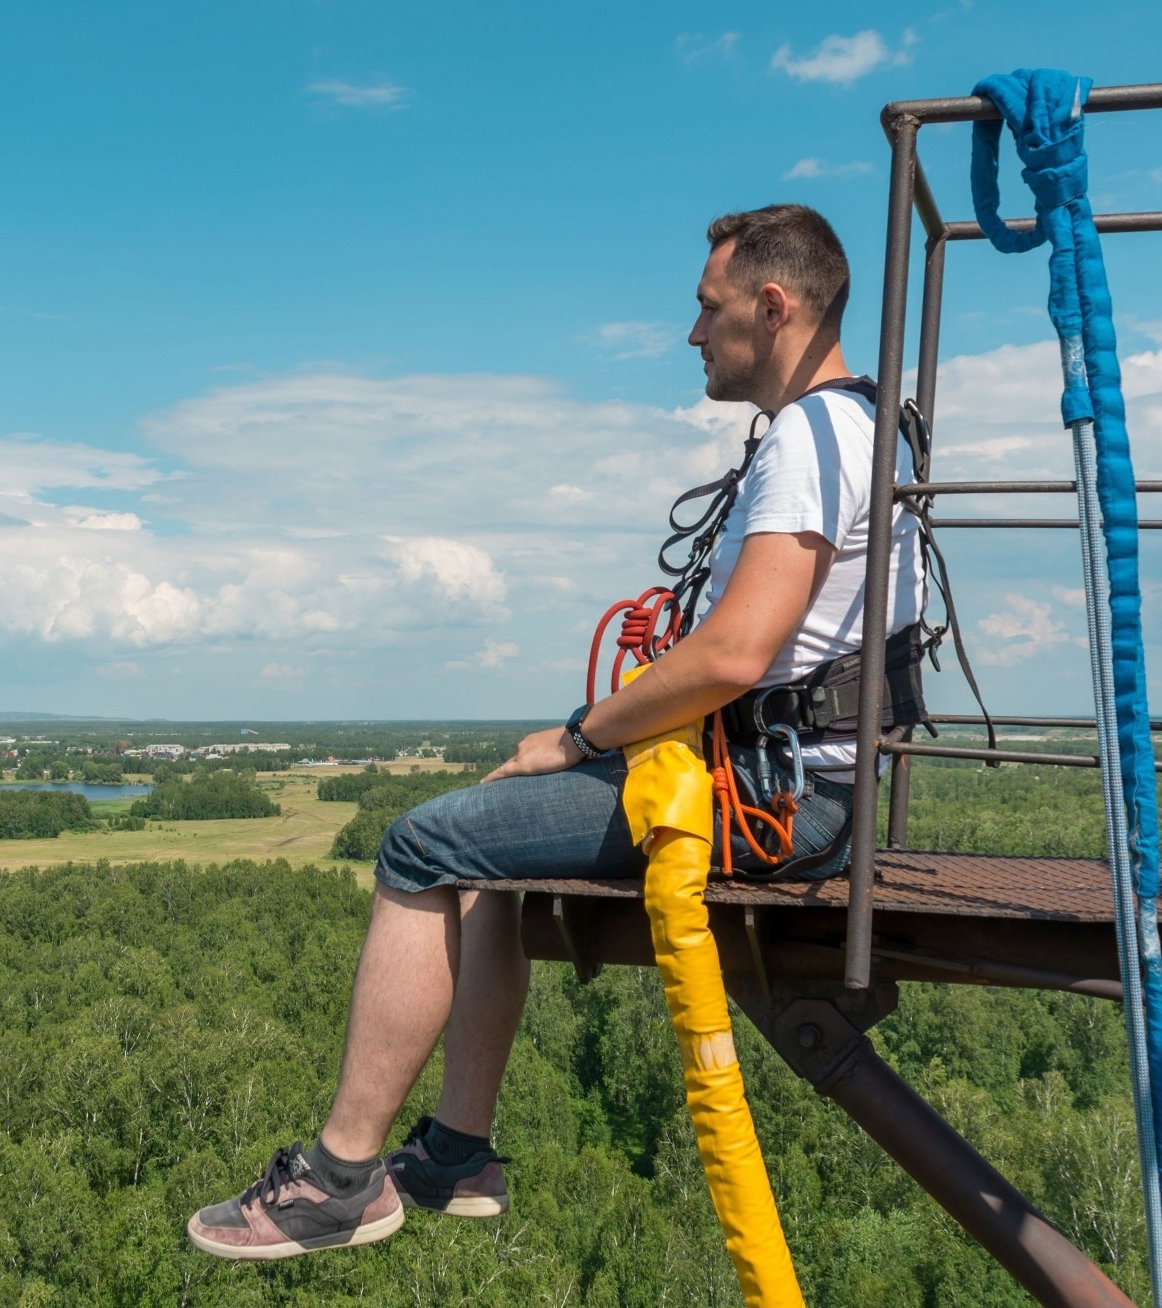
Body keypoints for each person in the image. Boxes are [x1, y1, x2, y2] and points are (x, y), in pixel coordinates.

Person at [187, 203, 924, 1261]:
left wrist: (577, 738)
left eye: (707, 309)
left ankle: (340, 1179)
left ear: (772, 306)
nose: (691, 335)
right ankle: (454, 1151)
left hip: (778, 803)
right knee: (485, 845)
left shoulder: (812, 438)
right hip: (790, 782)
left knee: (422, 842)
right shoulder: (858, 425)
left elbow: (731, 657)